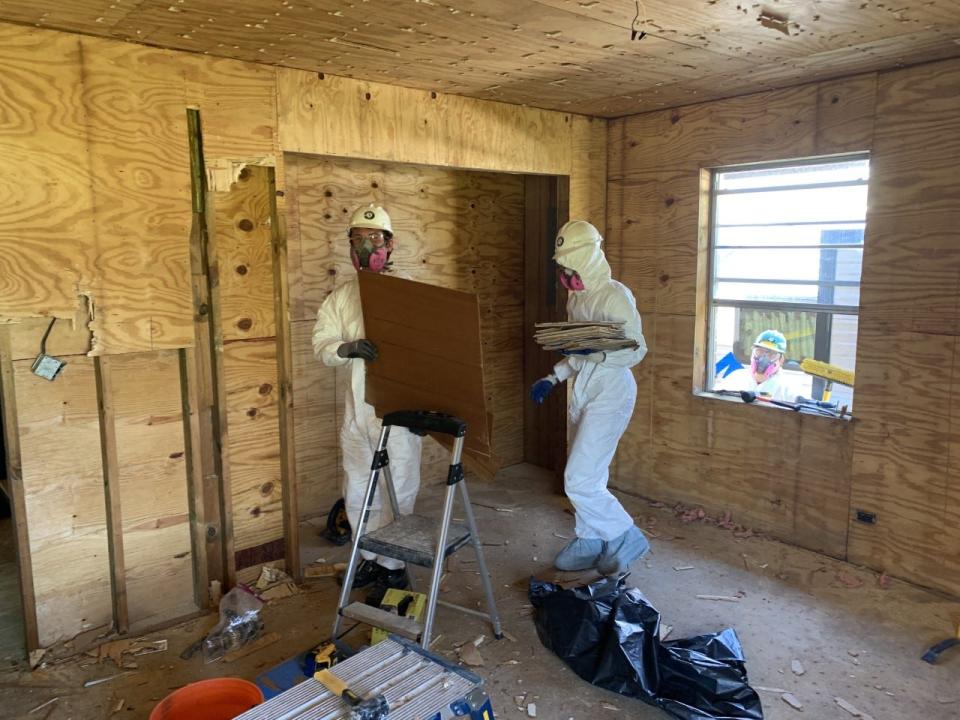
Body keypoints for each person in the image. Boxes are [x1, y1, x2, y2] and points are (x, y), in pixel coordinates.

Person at [312, 204, 422, 597]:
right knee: (358, 489)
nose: (365, 246)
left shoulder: (410, 292)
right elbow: (320, 343)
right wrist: (347, 348)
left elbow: (430, 350)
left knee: (400, 488)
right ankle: (369, 557)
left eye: (374, 239)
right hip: (358, 412)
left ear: (390, 245)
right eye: (357, 239)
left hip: (398, 411)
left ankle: (394, 566)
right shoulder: (341, 297)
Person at [529, 220, 650, 576]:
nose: (567, 277)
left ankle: (625, 534)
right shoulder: (577, 299)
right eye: (563, 269)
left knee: (578, 478)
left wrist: (595, 353)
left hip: (611, 392)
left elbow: (636, 350)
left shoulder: (616, 295)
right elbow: (577, 351)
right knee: (590, 475)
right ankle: (590, 539)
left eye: (571, 267)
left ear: (589, 258)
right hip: (583, 390)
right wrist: (554, 377)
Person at [714, 330, 791, 401]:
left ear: (781, 360)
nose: (763, 359)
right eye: (759, 351)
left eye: (771, 354)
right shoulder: (736, 377)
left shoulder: (787, 389)